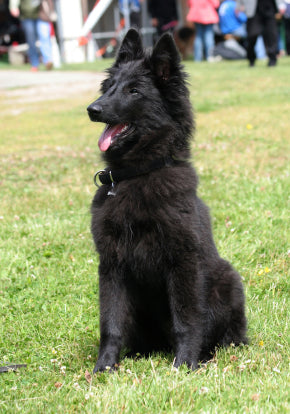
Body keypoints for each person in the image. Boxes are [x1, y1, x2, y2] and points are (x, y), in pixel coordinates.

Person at [236, 0, 286, 66]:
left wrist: (281, 5)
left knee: (271, 35)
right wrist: (239, 5)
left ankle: (272, 60)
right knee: (252, 36)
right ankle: (251, 58)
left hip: (270, 9)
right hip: (254, 11)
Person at [9, 0, 55, 71]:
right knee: (31, 40)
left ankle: (48, 61)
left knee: (44, 36)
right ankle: (34, 64)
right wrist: (13, 6)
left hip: (41, 13)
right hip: (27, 15)